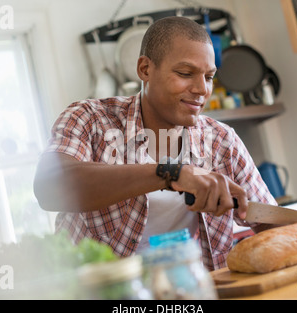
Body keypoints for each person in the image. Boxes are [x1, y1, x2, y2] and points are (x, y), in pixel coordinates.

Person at [33, 16, 276, 271]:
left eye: (209, 77)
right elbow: (49, 188)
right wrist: (172, 173)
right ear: (145, 70)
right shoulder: (90, 119)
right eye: (185, 73)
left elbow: (269, 221)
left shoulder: (221, 141)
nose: (202, 89)